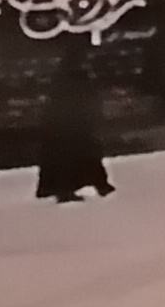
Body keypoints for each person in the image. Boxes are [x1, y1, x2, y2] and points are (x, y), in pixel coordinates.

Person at [34, 43, 117, 203]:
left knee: (76, 154)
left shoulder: (66, 75)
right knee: (77, 154)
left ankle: (92, 184)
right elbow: (81, 97)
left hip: (68, 123)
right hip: (72, 123)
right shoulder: (74, 75)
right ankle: (82, 186)